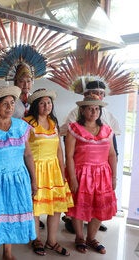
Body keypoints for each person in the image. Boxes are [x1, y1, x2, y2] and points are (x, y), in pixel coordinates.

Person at [0, 86, 37, 260]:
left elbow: (27, 154)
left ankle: (8, 252)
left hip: (17, 180)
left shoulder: (21, 126)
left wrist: (34, 180)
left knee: (10, 215)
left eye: (12, 103)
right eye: (4, 104)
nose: (10, 107)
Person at [60, 80, 118, 233]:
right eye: (90, 109)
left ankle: (91, 238)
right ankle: (79, 236)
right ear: (83, 111)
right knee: (79, 205)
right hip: (81, 173)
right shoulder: (74, 128)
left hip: (103, 174)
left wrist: (114, 177)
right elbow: (69, 155)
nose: (94, 112)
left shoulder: (107, 130)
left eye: (97, 109)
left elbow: (112, 154)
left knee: (100, 206)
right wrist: (72, 178)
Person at [23, 89, 73, 256]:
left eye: (49, 103)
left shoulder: (54, 122)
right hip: (35, 169)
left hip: (53, 170)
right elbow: (24, 151)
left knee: (56, 206)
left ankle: (52, 241)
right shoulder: (27, 123)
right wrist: (29, 174)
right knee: (36, 207)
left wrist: (62, 169)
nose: (46, 106)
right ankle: (36, 239)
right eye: (42, 103)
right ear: (36, 105)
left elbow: (59, 149)